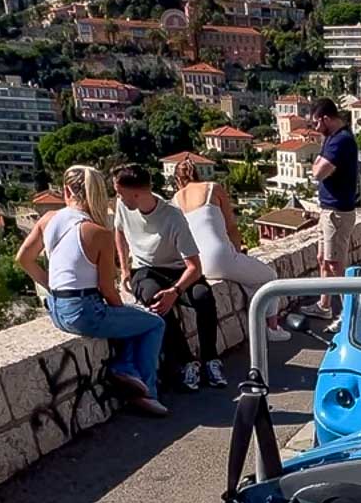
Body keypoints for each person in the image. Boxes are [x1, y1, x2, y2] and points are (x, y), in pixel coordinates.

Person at [16, 165, 167, 417]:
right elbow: (107, 289)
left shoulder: (47, 219)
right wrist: (125, 310)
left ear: (66, 190)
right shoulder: (97, 232)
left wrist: (52, 287)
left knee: (130, 318)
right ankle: (146, 391)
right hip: (84, 312)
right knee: (152, 323)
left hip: (57, 309)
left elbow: (24, 259)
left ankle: (127, 368)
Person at [113, 163, 226, 392]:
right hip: (145, 270)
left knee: (203, 296)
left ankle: (210, 359)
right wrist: (124, 269)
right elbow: (119, 231)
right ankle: (186, 362)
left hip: (176, 270)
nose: (118, 198)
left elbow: (195, 266)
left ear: (136, 193)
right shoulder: (123, 206)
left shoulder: (172, 217)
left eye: (120, 193)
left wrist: (175, 292)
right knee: (155, 301)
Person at [171, 159, 290, 343]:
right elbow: (232, 228)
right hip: (220, 257)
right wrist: (237, 252)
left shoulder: (175, 201)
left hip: (197, 265)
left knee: (249, 282)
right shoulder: (213, 188)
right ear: (198, 175)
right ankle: (272, 329)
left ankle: (257, 327)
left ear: (178, 181)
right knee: (270, 276)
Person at [297, 97, 358, 334]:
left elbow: (318, 172)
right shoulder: (331, 139)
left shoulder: (340, 141)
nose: (314, 128)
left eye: (315, 123)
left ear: (325, 118)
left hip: (337, 213)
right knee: (324, 259)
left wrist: (317, 164)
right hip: (328, 210)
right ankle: (324, 306)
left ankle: (348, 314)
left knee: (335, 265)